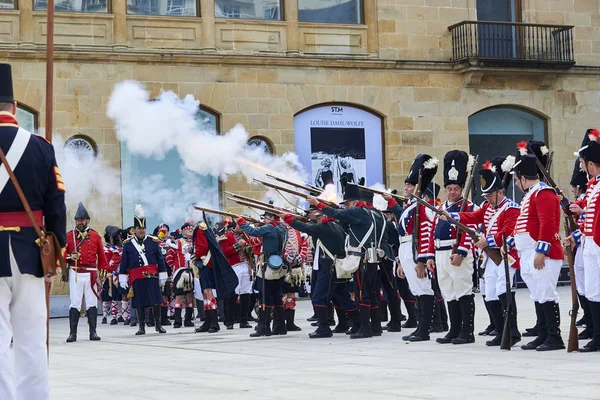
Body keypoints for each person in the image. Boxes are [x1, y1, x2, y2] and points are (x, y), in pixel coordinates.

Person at [0, 63, 66, 400]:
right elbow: (57, 206)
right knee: (31, 341)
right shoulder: (40, 146)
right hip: (32, 251)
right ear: (13, 107)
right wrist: (57, 255)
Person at [448, 157, 522, 347]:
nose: (487, 199)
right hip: (490, 257)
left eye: (490, 195)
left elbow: (508, 232)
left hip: (506, 256)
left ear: (500, 192)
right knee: (489, 293)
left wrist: (486, 241)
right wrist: (452, 215)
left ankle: (512, 331)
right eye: (486, 196)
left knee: (502, 292)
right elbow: (473, 216)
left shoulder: (511, 208)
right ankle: (500, 329)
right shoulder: (488, 207)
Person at [507, 140, 565, 351]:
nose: (515, 183)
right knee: (537, 293)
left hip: (542, 252)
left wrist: (541, 251)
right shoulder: (530, 195)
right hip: (527, 250)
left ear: (523, 178)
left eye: (516, 179)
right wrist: (511, 242)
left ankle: (554, 336)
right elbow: (524, 224)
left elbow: (548, 223)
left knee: (546, 292)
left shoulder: (543, 192)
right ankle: (542, 334)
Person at [307, 183, 383, 339]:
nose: (346, 207)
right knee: (370, 293)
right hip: (369, 257)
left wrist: (318, 204)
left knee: (362, 293)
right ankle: (375, 326)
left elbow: (338, 214)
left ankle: (365, 328)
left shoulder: (359, 211)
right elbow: (341, 218)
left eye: (347, 204)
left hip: (362, 258)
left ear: (355, 202)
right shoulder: (367, 212)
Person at [385, 154, 438, 342]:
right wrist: (400, 261)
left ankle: (424, 329)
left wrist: (422, 259)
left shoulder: (423, 206)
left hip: (416, 250)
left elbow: (426, 232)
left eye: (409, 185)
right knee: (416, 289)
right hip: (406, 248)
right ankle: (419, 327)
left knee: (424, 288)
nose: (405, 188)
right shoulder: (411, 206)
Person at [427, 151, 478, 345]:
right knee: (449, 291)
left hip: (457, 253)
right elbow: (433, 232)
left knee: (463, 290)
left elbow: (470, 230)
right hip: (440, 253)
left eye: (456, 188)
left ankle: (467, 331)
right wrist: (430, 256)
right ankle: (454, 330)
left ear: (461, 189)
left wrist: (462, 252)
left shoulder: (468, 207)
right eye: (449, 188)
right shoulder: (442, 209)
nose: (452, 191)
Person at [284, 208, 359, 338]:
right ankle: (355, 323)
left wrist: (288, 218)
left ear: (324, 216)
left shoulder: (325, 227)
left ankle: (324, 327)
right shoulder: (335, 226)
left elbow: (304, 228)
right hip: (333, 267)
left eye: (318, 217)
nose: (316, 219)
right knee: (342, 298)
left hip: (328, 267)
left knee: (319, 297)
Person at [570, 130, 600, 352]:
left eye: (583, 163)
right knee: (592, 289)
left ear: (591, 163)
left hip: (596, 243)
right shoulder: (593, 185)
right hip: (589, 242)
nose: (583, 167)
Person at [119, 205, 168, 335]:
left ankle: (158, 325)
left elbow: (160, 259)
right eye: (139, 228)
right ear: (134, 230)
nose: (141, 231)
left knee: (156, 301)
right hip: (137, 277)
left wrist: (163, 275)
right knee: (139, 302)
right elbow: (124, 262)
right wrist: (122, 277)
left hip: (152, 276)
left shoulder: (153, 241)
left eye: (143, 228)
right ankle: (141, 327)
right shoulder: (128, 245)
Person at [237, 212, 288, 337]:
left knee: (264, 297)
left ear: (272, 218)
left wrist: (242, 222)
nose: (264, 219)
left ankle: (264, 327)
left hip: (268, 266)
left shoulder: (269, 228)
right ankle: (280, 326)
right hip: (278, 264)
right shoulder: (282, 228)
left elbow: (252, 232)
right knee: (277, 296)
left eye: (266, 217)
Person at [65, 202, 109, 343]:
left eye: (82, 220)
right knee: (75, 302)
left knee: (92, 303)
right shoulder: (69, 236)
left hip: (91, 273)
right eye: (78, 220)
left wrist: (102, 275)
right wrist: (70, 257)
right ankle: (73, 333)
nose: (80, 222)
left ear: (87, 220)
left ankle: (93, 332)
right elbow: (61, 254)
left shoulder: (95, 236)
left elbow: (102, 257)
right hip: (76, 272)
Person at [192, 217, 238, 334]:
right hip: (210, 263)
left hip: (205, 263)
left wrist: (193, 255)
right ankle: (208, 322)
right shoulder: (206, 228)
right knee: (206, 293)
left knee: (207, 293)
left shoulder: (199, 229)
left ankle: (213, 323)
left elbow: (202, 248)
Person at [219, 222, 257, 329]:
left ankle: (243, 320)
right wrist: (237, 245)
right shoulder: (226, 236)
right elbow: (224, 252)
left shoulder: (247, 236)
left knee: (246, 292)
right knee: (233, 293)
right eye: (241, 226)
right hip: (235, 266)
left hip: (247, 266)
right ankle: (229, 320)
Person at [166, 222, 196, 328]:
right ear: (183, 231)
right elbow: (169, 258)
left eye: (192, 229)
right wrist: (175, 268)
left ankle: (188, 319)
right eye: (188, 229)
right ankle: (177, 320)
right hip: (180, 272)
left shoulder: (195, 242)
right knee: (179, 296)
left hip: (192, 271)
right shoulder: (177, 242)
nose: (191, 231)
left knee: (190, 296)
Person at [101, 225, 121, 325]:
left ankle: (118, 315)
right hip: (108, 274)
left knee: (118, 296)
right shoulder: (106, 249)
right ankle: (106, 315)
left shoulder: (117, 249)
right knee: (107, 296)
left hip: (117, 274)